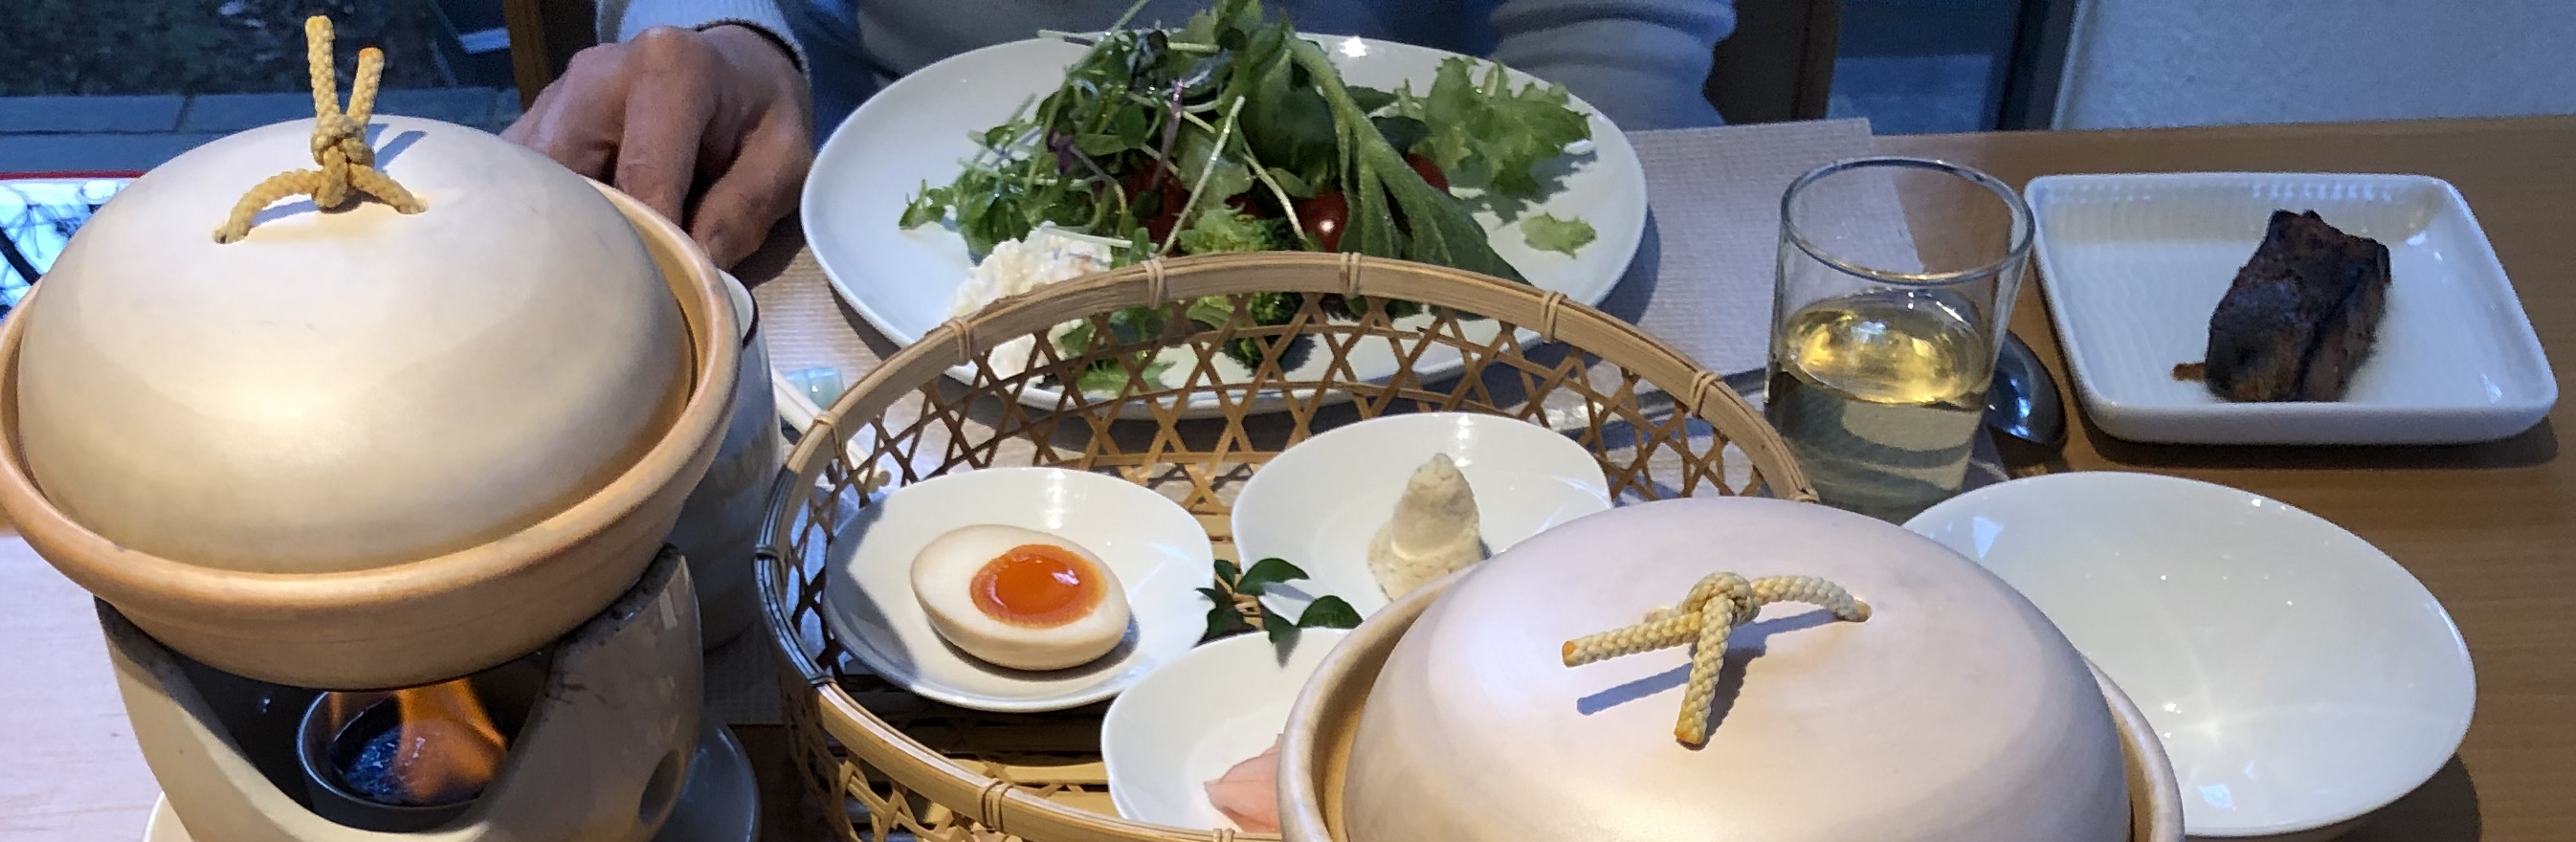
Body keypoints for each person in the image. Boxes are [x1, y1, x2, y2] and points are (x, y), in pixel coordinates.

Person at [509, 0, 1729, 272]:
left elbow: (1614, 22)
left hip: (1422, 184)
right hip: (868, 189)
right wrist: (726, 32)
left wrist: (1582, 200)